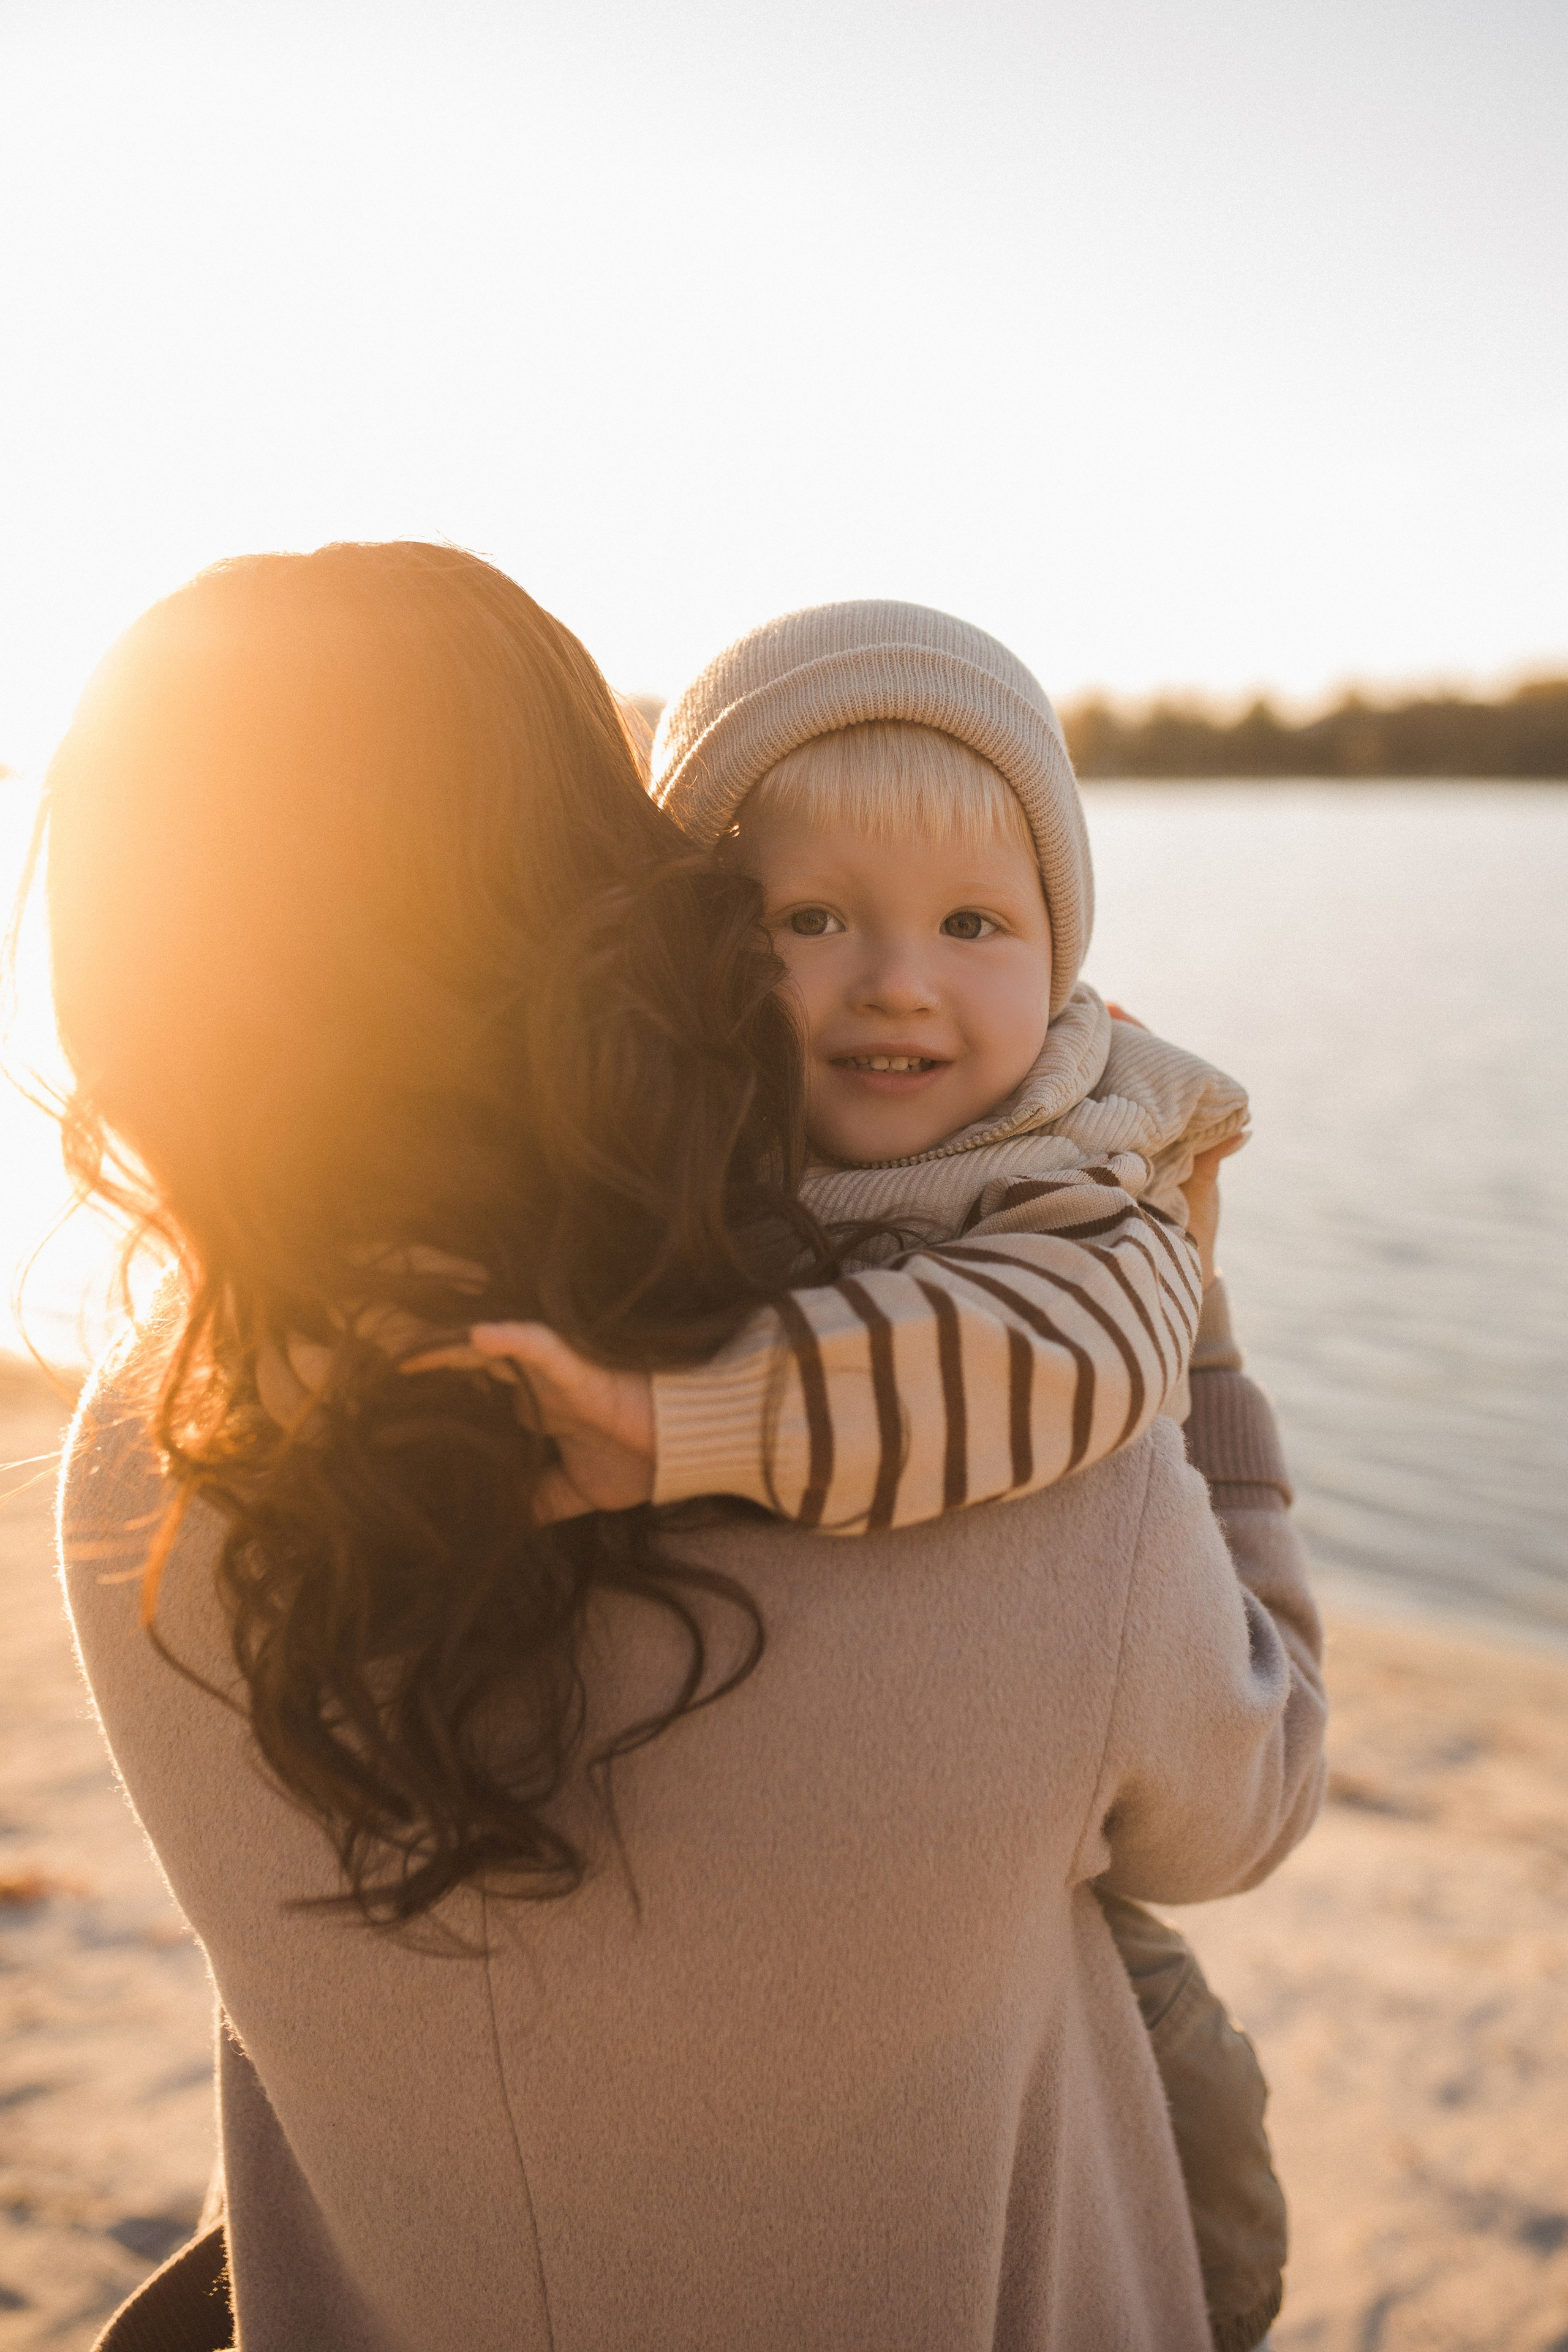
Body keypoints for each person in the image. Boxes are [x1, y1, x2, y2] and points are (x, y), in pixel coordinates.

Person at [48, 543, 1325, 2351]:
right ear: (627, 876)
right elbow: (1245, 1802)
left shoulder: (151, 1458)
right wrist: (1195, 1349)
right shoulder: (986, 1424)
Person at [432, 600, 1287, 2351]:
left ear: (1063, 961)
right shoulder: (689, 1154)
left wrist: (684, 1429)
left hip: (1063, 1939)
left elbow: (1031, 1368)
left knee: (1190, 2163)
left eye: (975, 923)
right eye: (808, 918)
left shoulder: (1087, 1180)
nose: (896, 978)